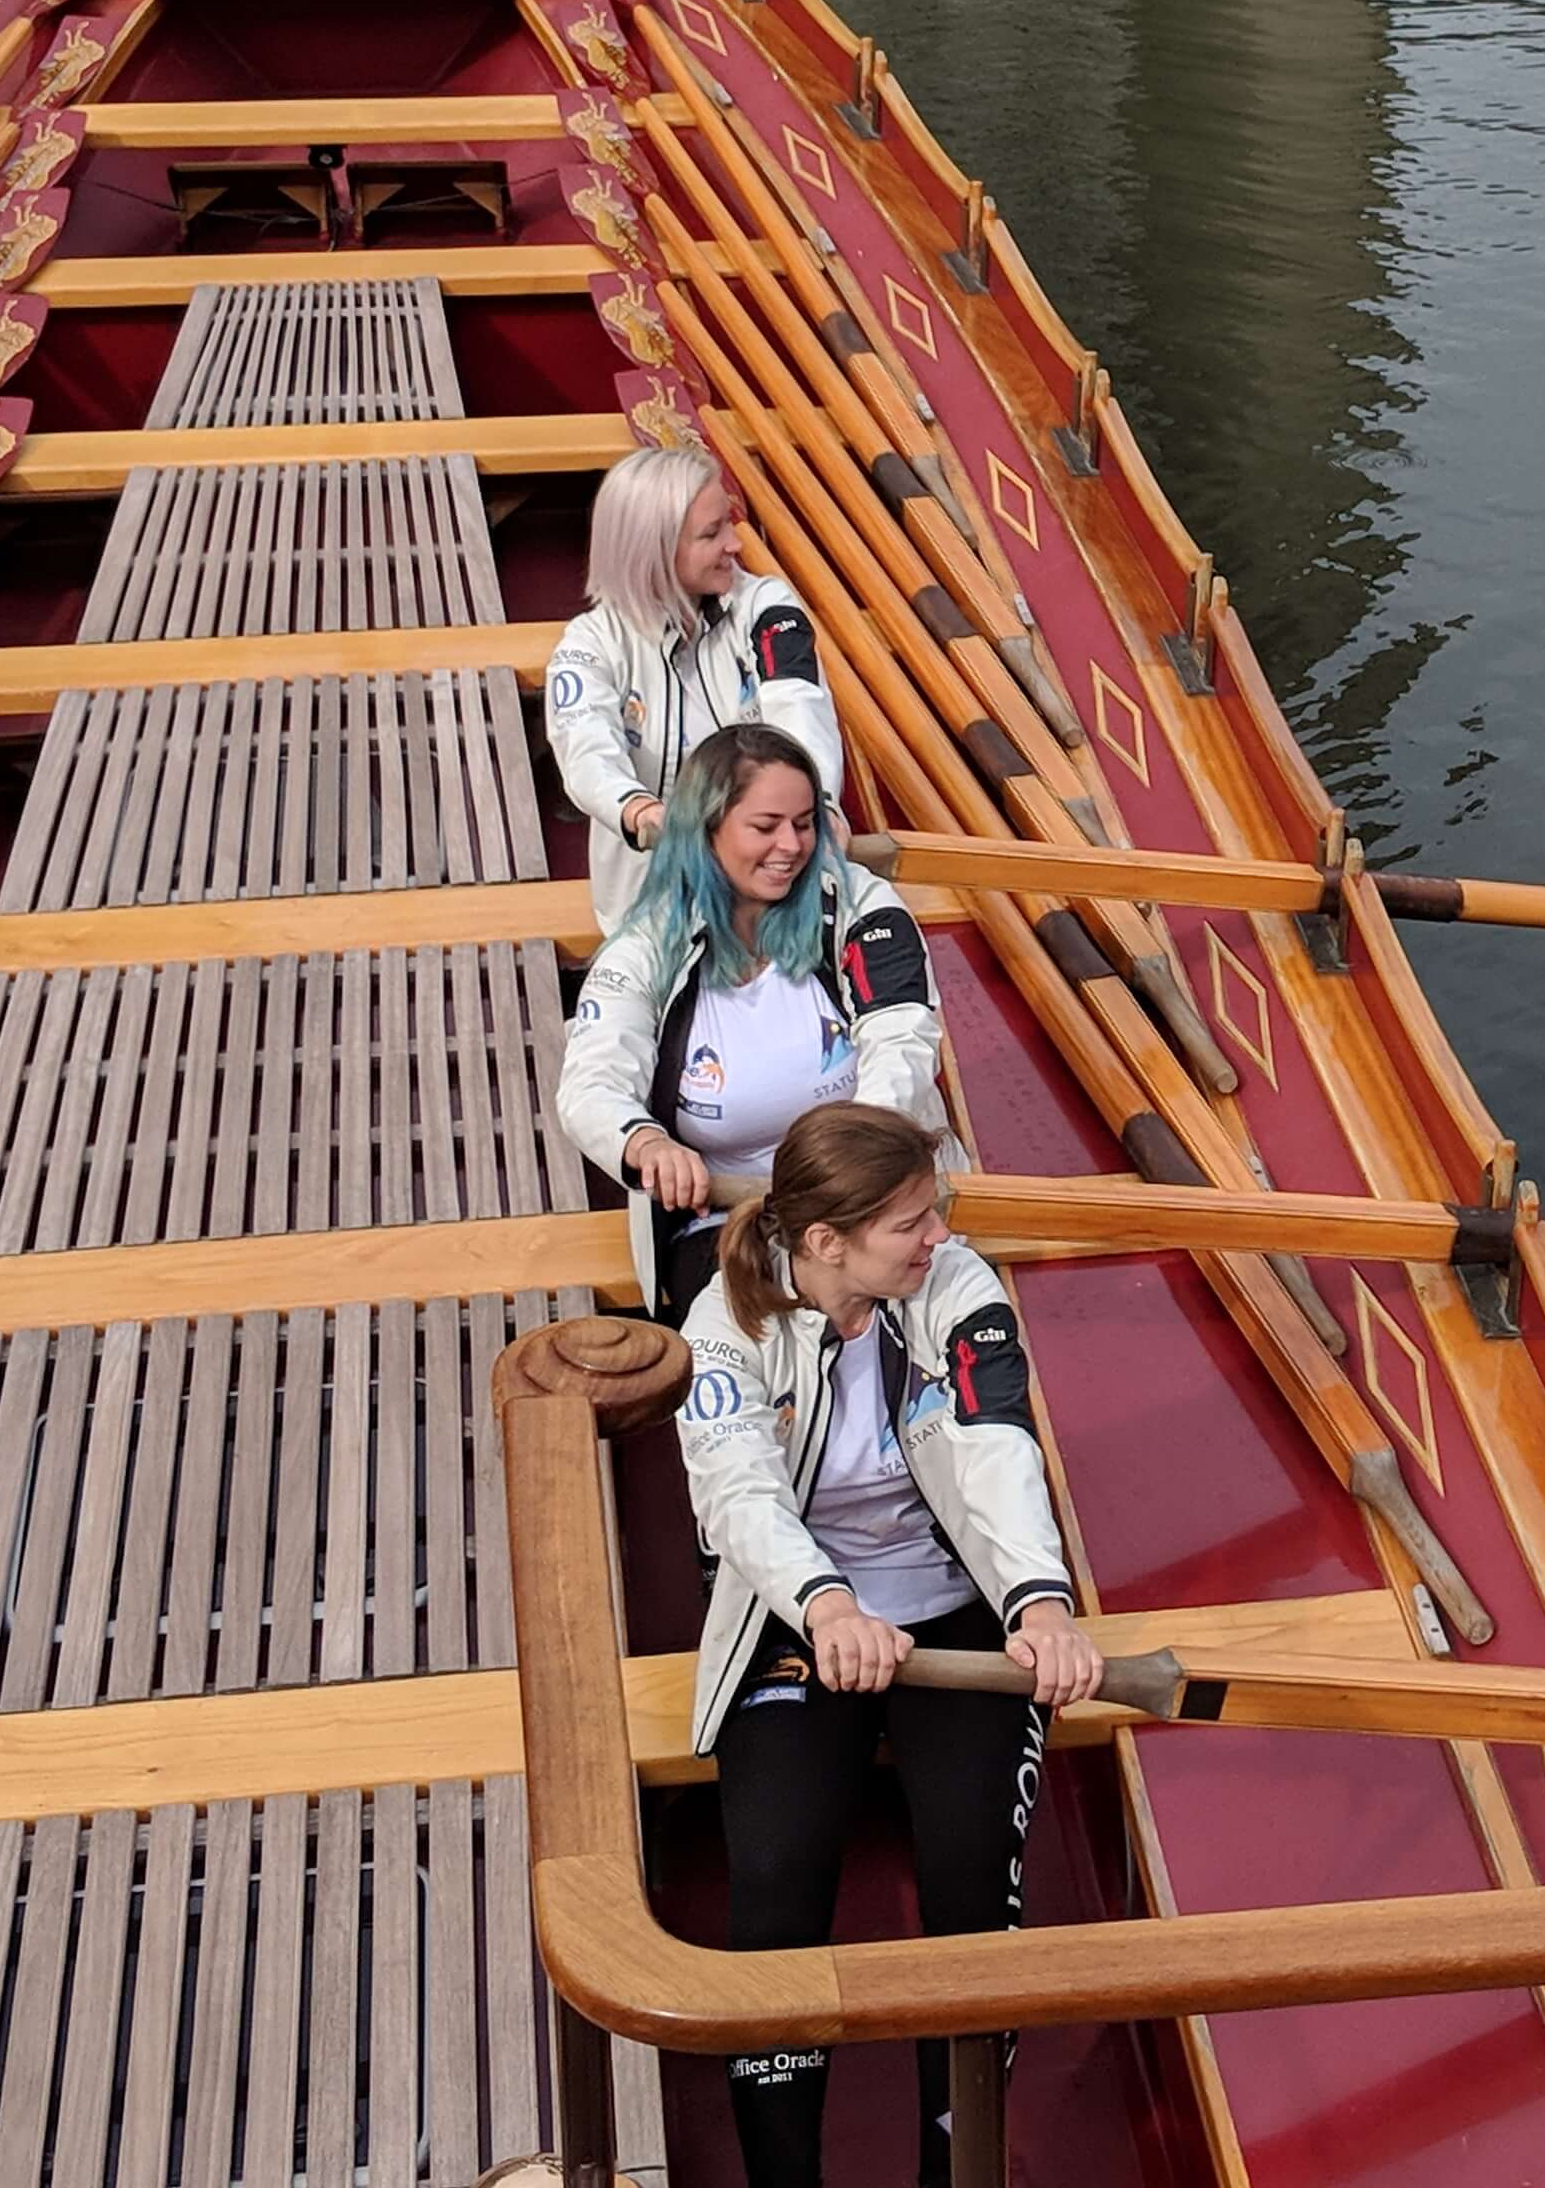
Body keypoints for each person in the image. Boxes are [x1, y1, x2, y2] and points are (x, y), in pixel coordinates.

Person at [676, 1099, 1100, 2188]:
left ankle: (952, 2173)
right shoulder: (725, 1320)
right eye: (911, 1222)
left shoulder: (956, 1293)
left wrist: (1039, 1606)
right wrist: (825, 1606)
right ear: (827, 1243)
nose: (939, 1237)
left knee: (973, 1885)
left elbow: (993, 1448)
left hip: (955, 1610)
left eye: (936, 1212)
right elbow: (740, 1500)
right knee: (772, 1885)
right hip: (795, 1617)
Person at [561, 722, 949, 1325]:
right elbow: (590, 1087)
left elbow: (903, 1038)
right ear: (706, 831)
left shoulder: (861, 909)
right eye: (765, 827)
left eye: (804, 823)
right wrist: (646, 1141)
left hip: (874, 1203)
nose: (792, 846)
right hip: (726, 1219)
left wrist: (851, 1177)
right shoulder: (645, 947)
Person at [550, 445, 845, 932]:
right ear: (654, 548)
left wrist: (819, 800)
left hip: (777, 898)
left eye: (729, 523)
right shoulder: (590, 643)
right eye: (712, 533)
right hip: (653, 911)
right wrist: (641, 811)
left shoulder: (767, 605)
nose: (735, 544)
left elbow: (800, 705)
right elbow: (585, 751)